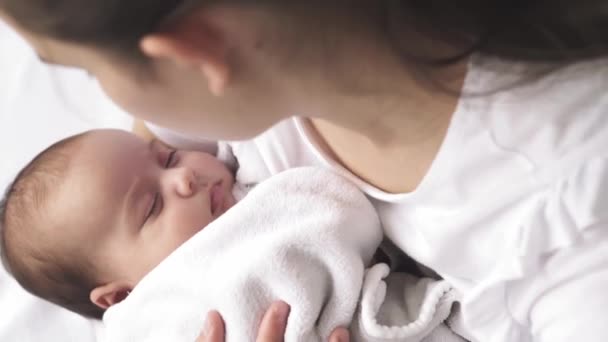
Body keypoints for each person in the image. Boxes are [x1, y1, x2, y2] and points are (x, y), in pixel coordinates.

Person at [0, 1, 607, 341]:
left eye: (87, 72)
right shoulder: (277, 62)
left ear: (199, 53)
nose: (181, 172)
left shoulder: (576, 236)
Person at [0, 129, 464, 342]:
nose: (183, 180)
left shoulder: (248, 169)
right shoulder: (160, 321)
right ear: (121, 295)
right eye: (153, 206)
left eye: (166, 158)